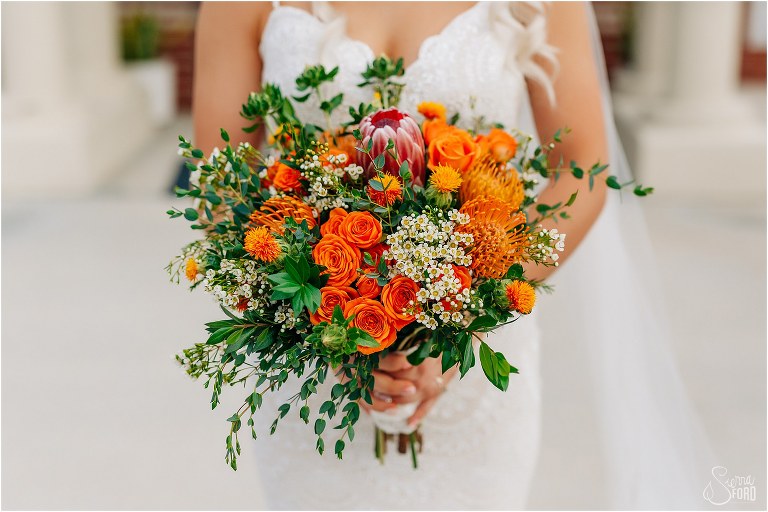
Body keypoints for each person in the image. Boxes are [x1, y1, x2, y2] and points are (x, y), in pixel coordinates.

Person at [192, 2, 712, 509]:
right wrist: (329, 340)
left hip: (474, 371)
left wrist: (466, 321)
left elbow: (580, 169)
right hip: (316, 378)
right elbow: (221, 186)